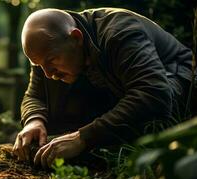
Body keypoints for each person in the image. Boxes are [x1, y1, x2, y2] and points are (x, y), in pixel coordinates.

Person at [12, 7, 196, 169]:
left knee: (152, 122)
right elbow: (34, 96)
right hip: (120, 89)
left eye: (51, 61)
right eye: (38, 65)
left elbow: (152, 93)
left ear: (76, 37)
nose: (48, 73)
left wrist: (83, 137)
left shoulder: (119, 33)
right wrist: (33, 120)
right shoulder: (48, 50)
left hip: (174, 78)